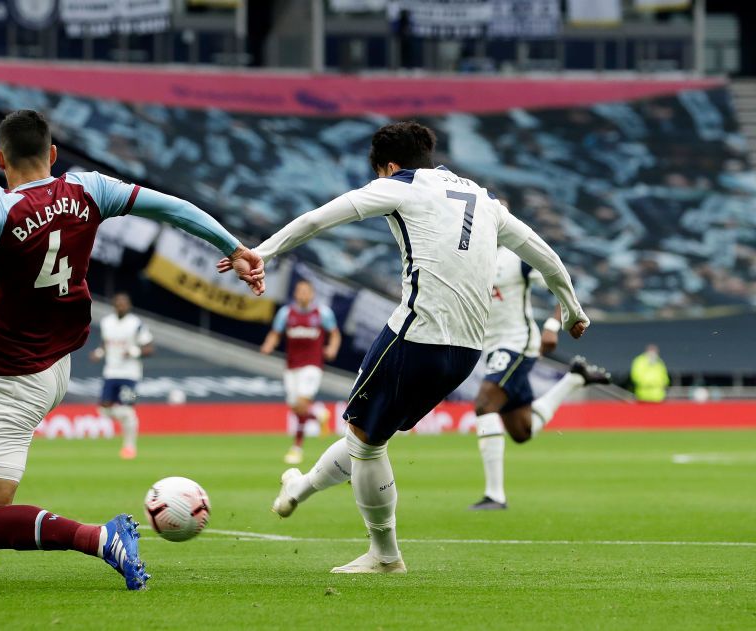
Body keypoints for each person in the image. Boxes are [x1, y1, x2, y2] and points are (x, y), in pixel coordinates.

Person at [0, 109, 264, 590]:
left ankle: (100, 538)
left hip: (12, 380)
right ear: (53, 155)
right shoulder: (89, 188)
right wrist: (235, 246)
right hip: (56, 364)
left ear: (1, 158)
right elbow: (173, 208)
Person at [222, 121, 589, 574]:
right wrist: (572, 309)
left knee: (367, 445)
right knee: (368, 430)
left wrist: (262, 252)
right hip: (466, 352)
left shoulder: (403, 186)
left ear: (389, 166)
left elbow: (319, 218)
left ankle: (384, 554)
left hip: (416, 334)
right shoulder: (483, 198)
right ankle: (299, 488)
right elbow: (544, 254)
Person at [469, 246, 611, 511]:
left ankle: (495, 496)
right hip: (491, 347)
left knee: (485, 405)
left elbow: (560, 280)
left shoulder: (516, 259)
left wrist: (552, 326)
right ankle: (574, 380)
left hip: (516, 343)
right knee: (522, 431)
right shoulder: (468, 255)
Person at [261, 280, 341, 464]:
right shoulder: (286, 313)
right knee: (295, 407)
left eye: (306, 291)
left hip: (312, 365)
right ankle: (319, 415)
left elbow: (335, 333)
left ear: (312, 294)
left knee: (301, 403)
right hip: (292, 366)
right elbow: (275, 332)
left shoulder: (322, 313)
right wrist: (269, 344)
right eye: (300, 291)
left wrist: (332, 348)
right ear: (295, 294)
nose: (303, 295)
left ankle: (296, 448)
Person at [90, 293, 154, 459]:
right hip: (111, 373)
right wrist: (99, 352)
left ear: (129, 306)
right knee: (103, 408)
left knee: (128, 409)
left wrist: (134, 351)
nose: (121, 306)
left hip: (130, 375)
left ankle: (129, 447)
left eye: (124, 304)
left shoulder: (136, 324)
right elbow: (105, 344)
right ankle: (125, 417)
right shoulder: (106, 323)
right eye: (118, 303)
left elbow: (149, 348)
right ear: (114, 305)